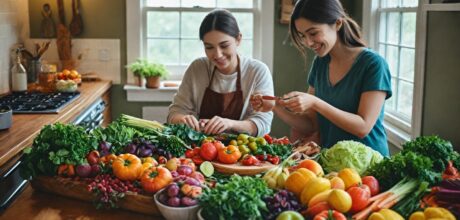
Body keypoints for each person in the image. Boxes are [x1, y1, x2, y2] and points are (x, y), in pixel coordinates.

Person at [251, 0, 392, 156]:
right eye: (302, 35)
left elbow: (363, 127)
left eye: (313, 33)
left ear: (338, 23)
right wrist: (275, 106)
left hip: (370, 166)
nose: (308, 42)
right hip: (332, 162)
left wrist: (316, 103)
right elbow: (311, 125)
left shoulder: (373, 64)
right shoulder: (321, 63)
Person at [168, 9, 274, 137]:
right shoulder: (197, 68)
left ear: (238, 39)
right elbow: (175, 112)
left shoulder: (257, 71)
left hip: (242, 152)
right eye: (209, 47)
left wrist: (230, 124)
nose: (217, 54)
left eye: (224, 46)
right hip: (197, 149)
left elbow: (262, 123)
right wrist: (182, 119)